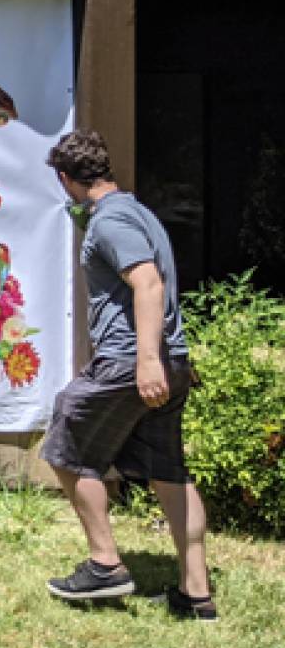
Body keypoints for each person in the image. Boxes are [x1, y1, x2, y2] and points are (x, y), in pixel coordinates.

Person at [41, 129, 215, 621]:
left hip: (130, 362)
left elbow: (147, 283)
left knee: (66, 442)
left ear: (65, 179)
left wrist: (146, 361)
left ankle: (105, 564)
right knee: (167, 472)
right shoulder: (138, 211)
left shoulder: (112, 221)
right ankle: (196, 595)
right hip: (170, 360)